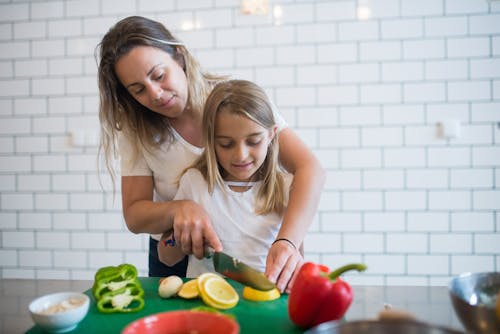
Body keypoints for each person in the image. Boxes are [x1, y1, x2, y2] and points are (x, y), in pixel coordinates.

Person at [97, 16, 325, 292]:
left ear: (179, 58)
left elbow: (309, 168)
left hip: (262, 263)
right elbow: (135, 215)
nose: (155, 94)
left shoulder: (232, 100)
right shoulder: (137, 130)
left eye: (159, 75)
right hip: (178, 258)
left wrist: (287, 242)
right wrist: (180, 209)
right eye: (138, 90)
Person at [158, 80, 293, 287]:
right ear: (210, 142)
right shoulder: (194, 183)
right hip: (205, 301)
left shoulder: (286, 187)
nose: (241, 155)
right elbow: (165, 255)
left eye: (253, 141)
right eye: (226, 144)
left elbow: (294, 257)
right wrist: (181, 240)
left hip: (264, 301)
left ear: (271, 134)